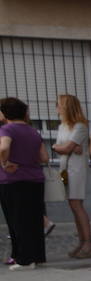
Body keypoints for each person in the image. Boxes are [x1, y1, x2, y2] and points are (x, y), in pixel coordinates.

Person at [0, 98, 50, 269]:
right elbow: (44, 157)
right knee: (34, 219)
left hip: (13, 180)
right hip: (35, 179)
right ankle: (37, 256)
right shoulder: (33, 131)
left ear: (4, 113)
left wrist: (4, 163)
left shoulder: (7, 129)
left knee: (17, 221)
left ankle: (24, 259)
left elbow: (4, 148)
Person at [53, 93, 91, 258]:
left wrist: (63, 147)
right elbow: (63, 146)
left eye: (59, 105)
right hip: (66, 168)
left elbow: (66, 148)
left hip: (76, 170)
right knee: (73, 206)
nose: (56, 108)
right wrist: (64, 147)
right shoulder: (63, 126)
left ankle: (88, 243)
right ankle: (82, 241)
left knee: (77, 205)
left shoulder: (80, 126)